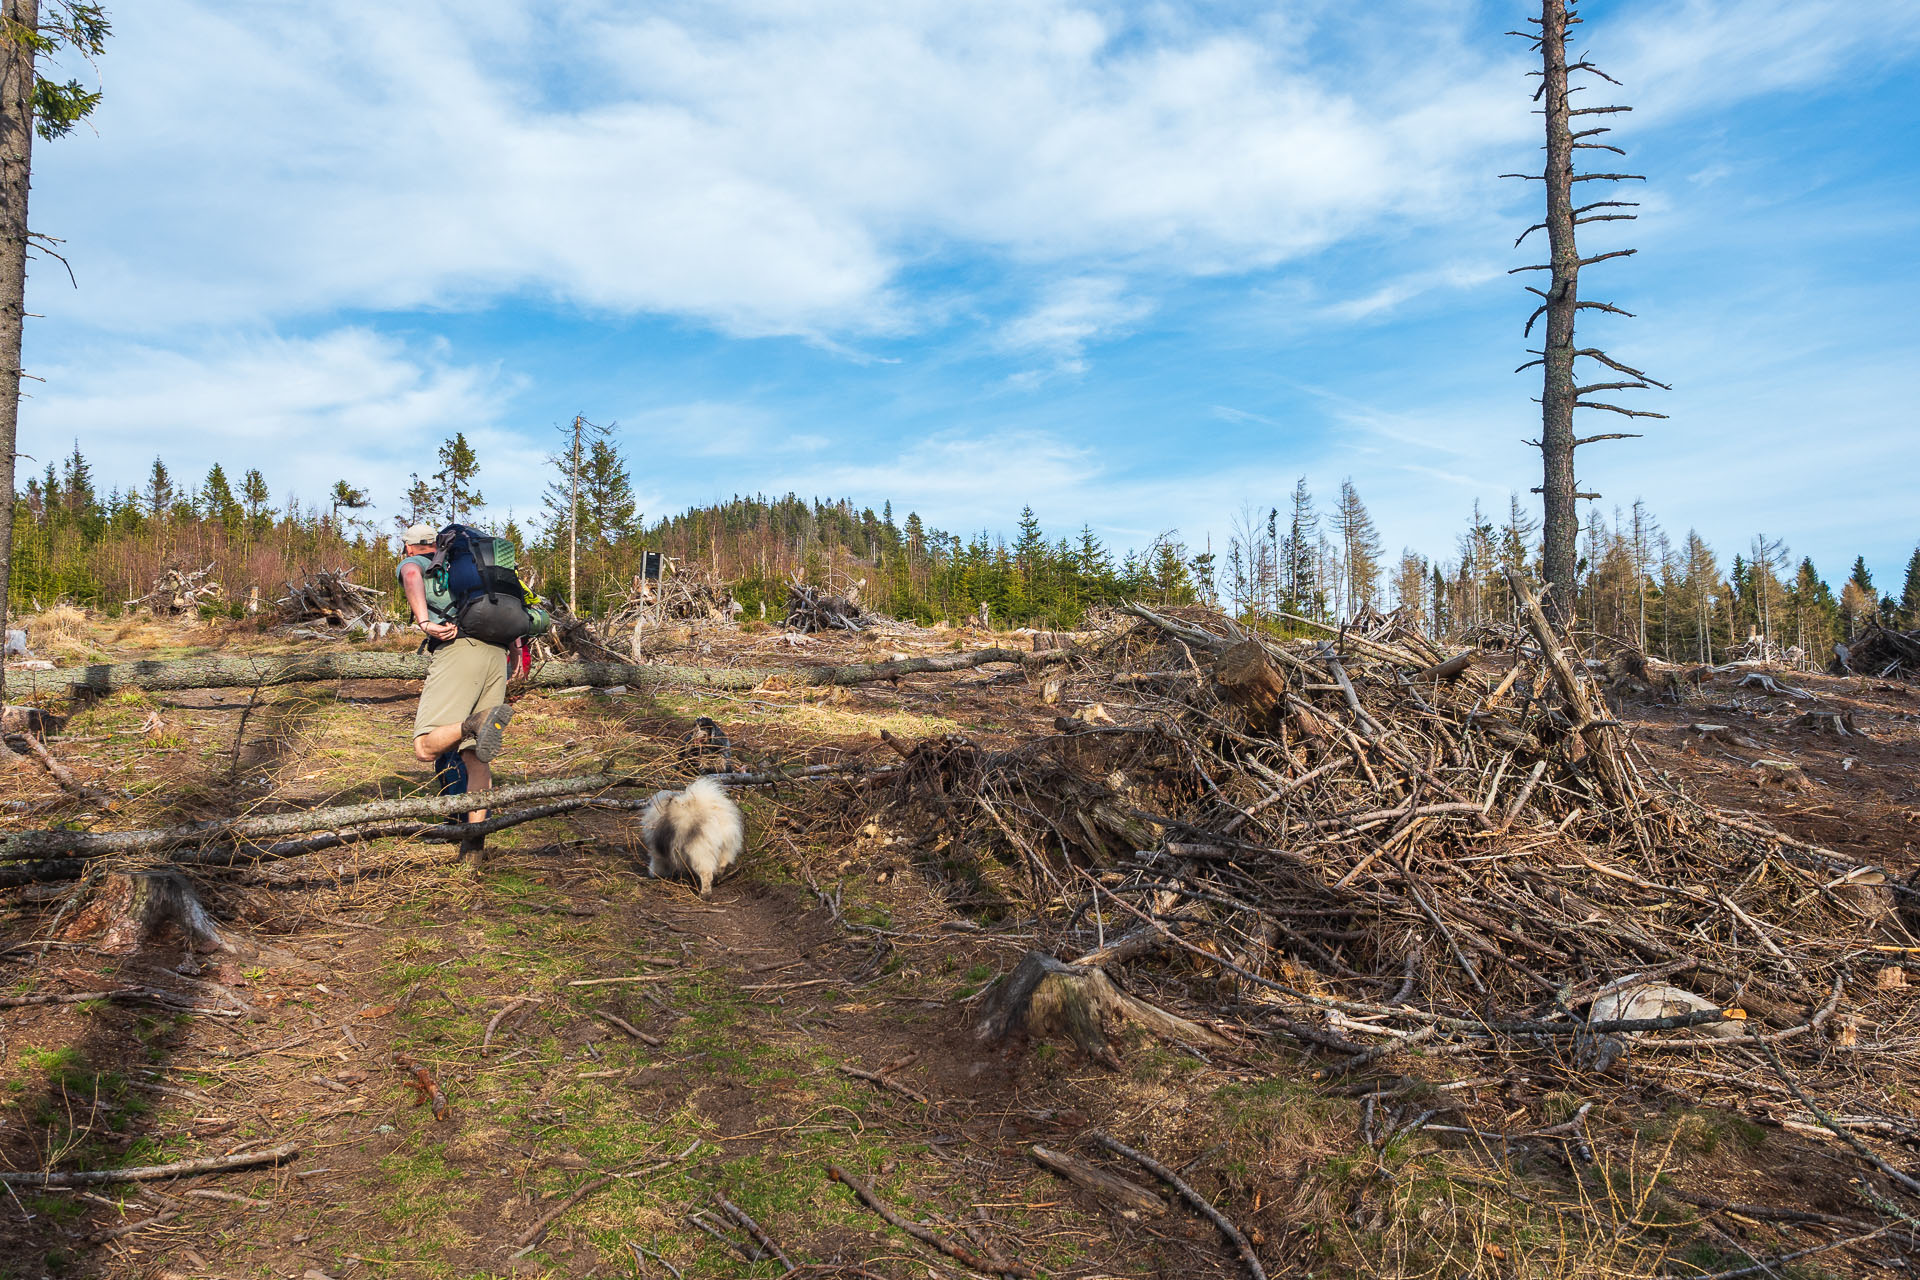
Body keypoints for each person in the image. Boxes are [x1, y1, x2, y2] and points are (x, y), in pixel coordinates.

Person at [395, 522, 516, 823]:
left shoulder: (416, 562)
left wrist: (424, 622)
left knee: (424, 747)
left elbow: (411, 576)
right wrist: (513, 653)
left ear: (409, 546)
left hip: (461, 650)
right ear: (437, 543)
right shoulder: (469, 567)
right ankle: (474, 843)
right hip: (497, 652)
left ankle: (472, 724)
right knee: (476, 758)